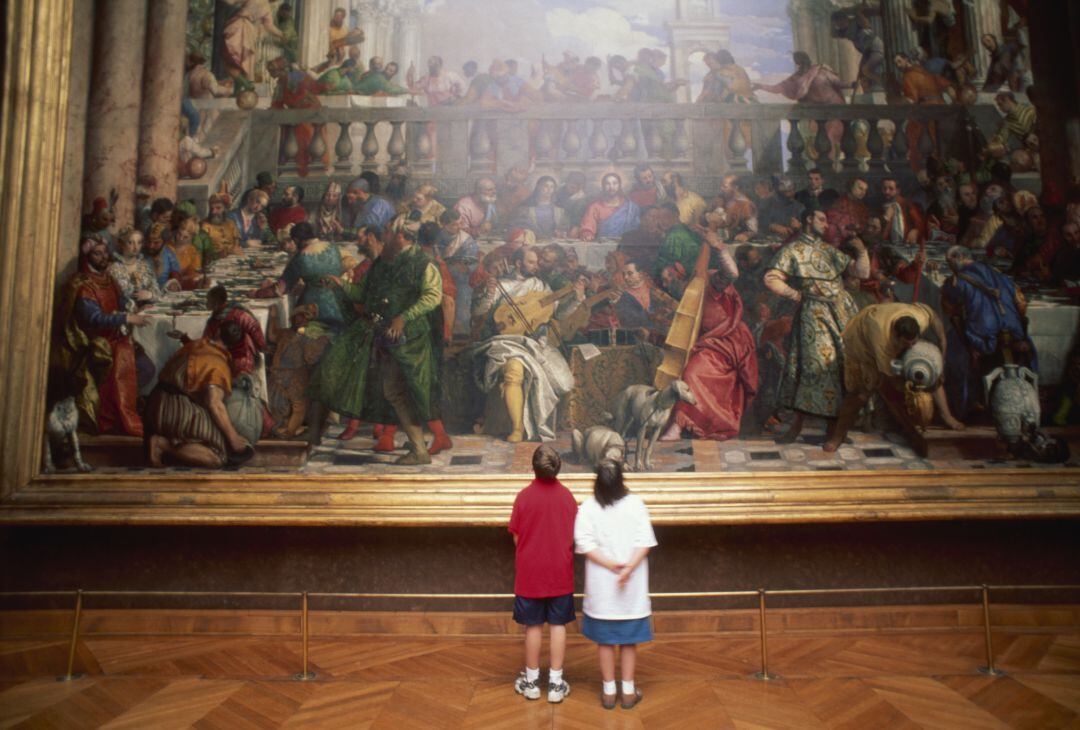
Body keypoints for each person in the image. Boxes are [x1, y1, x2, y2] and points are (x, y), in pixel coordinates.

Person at [308, 226, 443, 464]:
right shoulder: (382, 262)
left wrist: (404, 317)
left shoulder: (424, 264)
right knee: (385, 388)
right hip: (381, 333)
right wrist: (339, 284)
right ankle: (419, 450)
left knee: (403, 391)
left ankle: (420, 450)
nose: (385, 237)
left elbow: (433, 296)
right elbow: (363, 294)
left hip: (409, 340)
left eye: (391, 233)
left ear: (403, 237)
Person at [764, 208, 869, 443]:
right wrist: (795, 294)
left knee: (844, 366)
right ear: (809, 220)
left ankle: (835, 430)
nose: (826, 224)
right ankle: (800, 427)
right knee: (817, 368)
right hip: (815, 314)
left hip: (842, 311)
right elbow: (771, 278)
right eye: (822, 219)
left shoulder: (828, 249)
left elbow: (861, 272)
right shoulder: (792, 250)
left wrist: (861, 250)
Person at [470, 247, 580, 442]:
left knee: (563, 381)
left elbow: (559, 314)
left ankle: (536, 423)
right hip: (505, 341)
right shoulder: (503, 284)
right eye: (531, 262)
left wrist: (576, 299)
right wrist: (489, 293)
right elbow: (478, 312)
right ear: (519, 263)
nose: (536, 266)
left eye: (537, 262)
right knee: (514, 370)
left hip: (535, 343)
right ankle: (518, 428)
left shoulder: (541, 287)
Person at [824, 303, 964, 452]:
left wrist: (943, 341)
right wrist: (913, 389)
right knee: (860, 395)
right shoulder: (881, 340)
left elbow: (934, 317)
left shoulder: (919, 317)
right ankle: (837, 436)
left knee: (930, 370)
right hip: (861, 344)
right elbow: (889, 378)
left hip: (886, 330)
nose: (911, 346)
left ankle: (947, 416)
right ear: (896, 337)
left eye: (914, 342)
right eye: (906, 343)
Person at [574, 459, 656, 710]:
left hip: (602, 591)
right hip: (631, 590)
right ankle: (628, 691)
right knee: (629, 641)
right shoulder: (636, 504)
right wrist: (628, 568)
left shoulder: (588, 507)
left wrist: (611, 566)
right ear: (621, 479)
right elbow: (645, 541)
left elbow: (584, 543)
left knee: (606, 641)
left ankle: (609, 691)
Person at [51, 235, 151, 437]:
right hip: (95, 344)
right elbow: (94, 319)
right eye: (98, 253)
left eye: (105, 252)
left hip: (116, 339)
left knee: (147, 367)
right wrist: (127, 319)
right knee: (136, 366)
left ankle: (120, 409)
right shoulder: (84, 285)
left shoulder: (108, 279)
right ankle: (112, 416)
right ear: (88, 256)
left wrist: (137, 307)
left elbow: (122, 302)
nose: (104, 256)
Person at [663, 232, 758, 441]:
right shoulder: (686, 292)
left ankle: (680, 424)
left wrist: (720, 249)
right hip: (707, 342)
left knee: (693, 372)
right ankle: (677, 421)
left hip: (727, 340)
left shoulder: (712, 280)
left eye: (670, 276)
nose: (667, 282)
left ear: (681, 271)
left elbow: (732, 273)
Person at [509, 445, 578, 704]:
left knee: (533, 626)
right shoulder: (567, 497)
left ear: (533, 467)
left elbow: (517, 537)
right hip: (560, 572)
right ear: (558, 467)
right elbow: (573, 535)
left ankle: (532, 682)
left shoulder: (524, 497)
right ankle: (556, 684)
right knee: (558, 625)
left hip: (530, 574)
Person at [941, 246, 1036, 419]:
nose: (950, 266)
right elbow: (1022, 306)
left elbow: (949, 309)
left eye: (949, 261)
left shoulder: (955, 282)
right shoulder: (1002, 277)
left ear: (959, 257)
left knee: (950, 345)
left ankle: (965, 406)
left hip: (982, 338)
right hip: (1013, 335)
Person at [146, 321, 254, 468]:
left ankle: (168, 443)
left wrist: (184, 338)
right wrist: (233, 438)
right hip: (175, 409)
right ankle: (162, 444)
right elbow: (215, 404)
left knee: (214, 428)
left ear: (217, 332)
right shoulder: (218, 364)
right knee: (218, 456)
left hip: (155, 403)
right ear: (235, 346)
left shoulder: (197, 344)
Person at [754, 53, 846, 164]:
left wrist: (852, 84)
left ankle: (830, 165)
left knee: (831, 136)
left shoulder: (821, 71)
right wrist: (761, 86)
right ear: (797, 64)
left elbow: (838, 83)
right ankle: (827, 166)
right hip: (818, 112)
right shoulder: (796, 78)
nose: (801, 64)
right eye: (799, 62)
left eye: (803, 61)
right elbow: (778, 88)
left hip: (834, 108)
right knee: (822, 139)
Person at [274, 222, 348, 331]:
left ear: (296, 240)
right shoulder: (334, 248)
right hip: (340, 308)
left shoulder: (301, 257)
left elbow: (280, 288)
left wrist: (256, 293)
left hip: (312, 312)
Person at [220, 0, 283, 88]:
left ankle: (247, 86)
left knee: (229, 62)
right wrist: (282, 34)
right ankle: (239, 91)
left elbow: (232, 1)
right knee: (240, 63)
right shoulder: (267, 8)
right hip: (249, 31)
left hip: (238, 26)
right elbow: (269, 26)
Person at [437, 209, 479, 336]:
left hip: (459, 279)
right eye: (454, 224)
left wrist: (463, 267)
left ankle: (460, 333)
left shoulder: (467, 240)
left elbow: (472, 262)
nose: (459, 227)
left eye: (460, 223)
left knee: (463, 294)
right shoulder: (436, 237)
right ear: (444, 225)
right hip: (439, 276)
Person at [579, 173, 641, 241]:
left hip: (626, 246)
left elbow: (637, 229)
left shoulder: (631, 208)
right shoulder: (595, 207)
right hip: (602, 246)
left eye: (615, 183)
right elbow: (588, 226)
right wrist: (587, 234)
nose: (611, 187)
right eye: (607, 184)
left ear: (619, 185)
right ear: (603, 186)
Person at [201, 192, 243, 260]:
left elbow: (236, 243)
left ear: (224, 209)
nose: (213, 212)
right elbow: (204, 253)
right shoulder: (204, 226)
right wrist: (227, 251)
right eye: (212, 208)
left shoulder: (230, 223)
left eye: (218, 208)